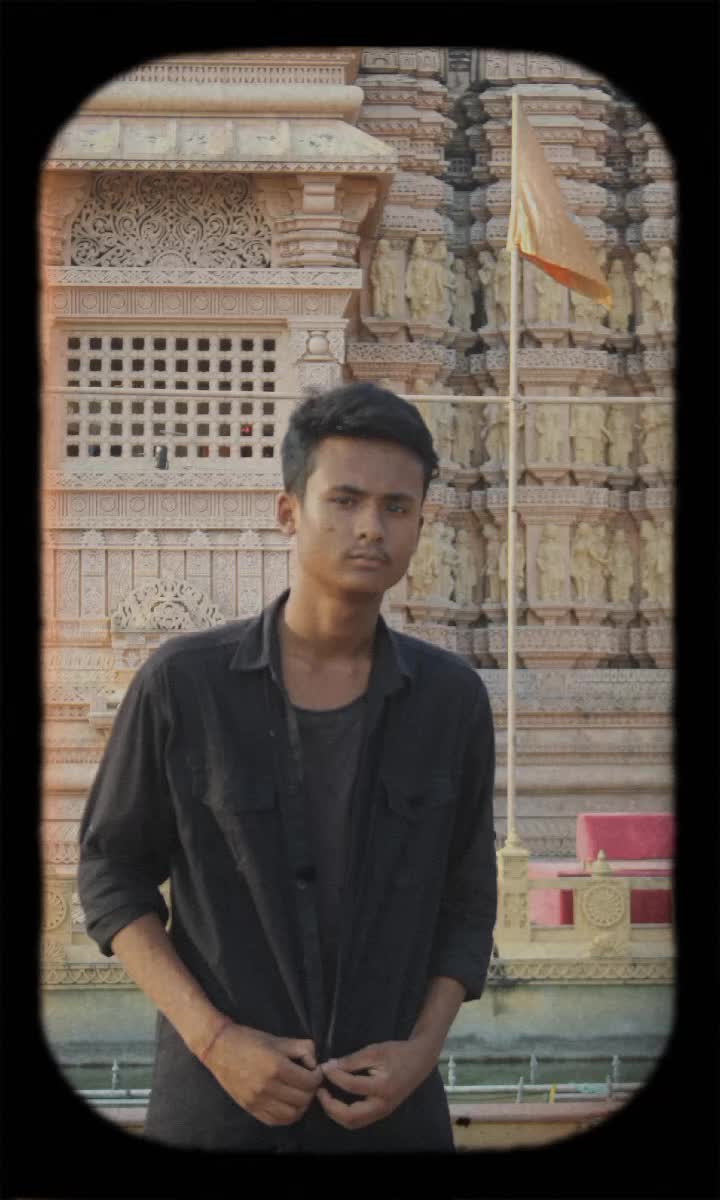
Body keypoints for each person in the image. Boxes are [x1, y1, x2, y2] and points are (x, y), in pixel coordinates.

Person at [78, 381, 497, 1154]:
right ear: (288, 511)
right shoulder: (183, 686)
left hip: (392, 1119)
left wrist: (420, 1054)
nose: (370, 527)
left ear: (420, 525)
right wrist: (214, 1040)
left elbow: (468, 902)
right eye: (345, 500)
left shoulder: (451, 703)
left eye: (396, 507)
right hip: (219, 1110)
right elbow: (110, 875)